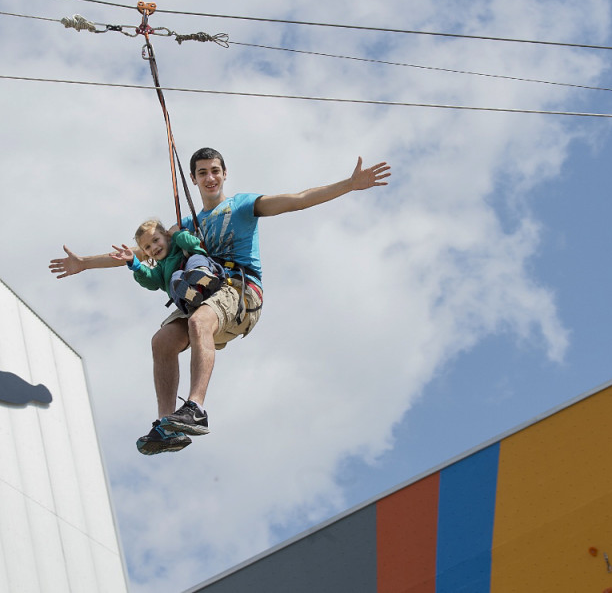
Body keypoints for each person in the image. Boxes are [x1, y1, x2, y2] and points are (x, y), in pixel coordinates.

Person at [49, 147, 391, 455]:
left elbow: (298, 198)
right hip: (204, 294)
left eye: (215, 170)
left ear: (224, 173)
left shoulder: (242, 205)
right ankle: (168, 425)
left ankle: (195, 408)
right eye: (202, 173)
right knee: (162, 340)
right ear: (194, 180)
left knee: (200, 321)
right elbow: (134, 253)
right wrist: (84, 264)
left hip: (240, 291)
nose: (209, 177)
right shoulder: (183, 226)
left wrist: (349, 184)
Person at [109, 218, 224, 315]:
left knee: (195, 258)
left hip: (210, 284)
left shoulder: (181, 245)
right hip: (191, 302)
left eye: (156, 240)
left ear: (166, 236)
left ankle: (202, 274)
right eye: (148, 247)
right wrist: (136, 266)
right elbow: (151, 281)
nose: (154, 247)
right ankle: (189, 295)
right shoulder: (160, 270)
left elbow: (193, 244)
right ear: (145, 253)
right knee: (176, 277)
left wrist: (176, 234)